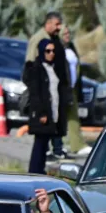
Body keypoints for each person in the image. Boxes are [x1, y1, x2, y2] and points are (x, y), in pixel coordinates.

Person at [24, 11, 70, 156]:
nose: (59, 27)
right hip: (45, 91)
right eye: (56, 24)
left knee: (57, 119)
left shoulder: (55, 39)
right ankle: (45, 153)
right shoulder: (38, 39)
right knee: (44, 127)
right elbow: (30, 66)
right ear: (48, 23)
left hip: (56, 88)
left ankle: (57, 149)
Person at [26, 39, 64, 175]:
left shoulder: (53, 67)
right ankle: (34, 171)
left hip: (52, 110)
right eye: (48, 51)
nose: (51, 54)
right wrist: (42, 113)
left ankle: (39, 170)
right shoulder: (37, 68)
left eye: (53, 51)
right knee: (39, 144)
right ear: (42, 51)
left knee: (45, 143)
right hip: (42, 113)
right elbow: (36, 93)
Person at [59, 24, 88, 157]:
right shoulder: (57, 49)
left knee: (73, 117)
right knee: (61, 118)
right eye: (65, 34)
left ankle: (77, 144)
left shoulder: (71, 48)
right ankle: (61, 145)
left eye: (68, 33)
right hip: (62, 88)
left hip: (72, 88)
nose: (68, 36)